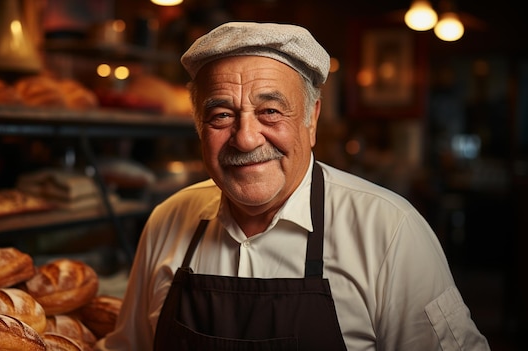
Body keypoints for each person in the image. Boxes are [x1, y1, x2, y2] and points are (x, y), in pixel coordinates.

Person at [94, 22, 490, 350]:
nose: (246, 138)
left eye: (270, 111)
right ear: (199, 126)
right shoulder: (168, 220)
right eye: (221, 115)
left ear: (312, 118)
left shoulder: (389, 231)